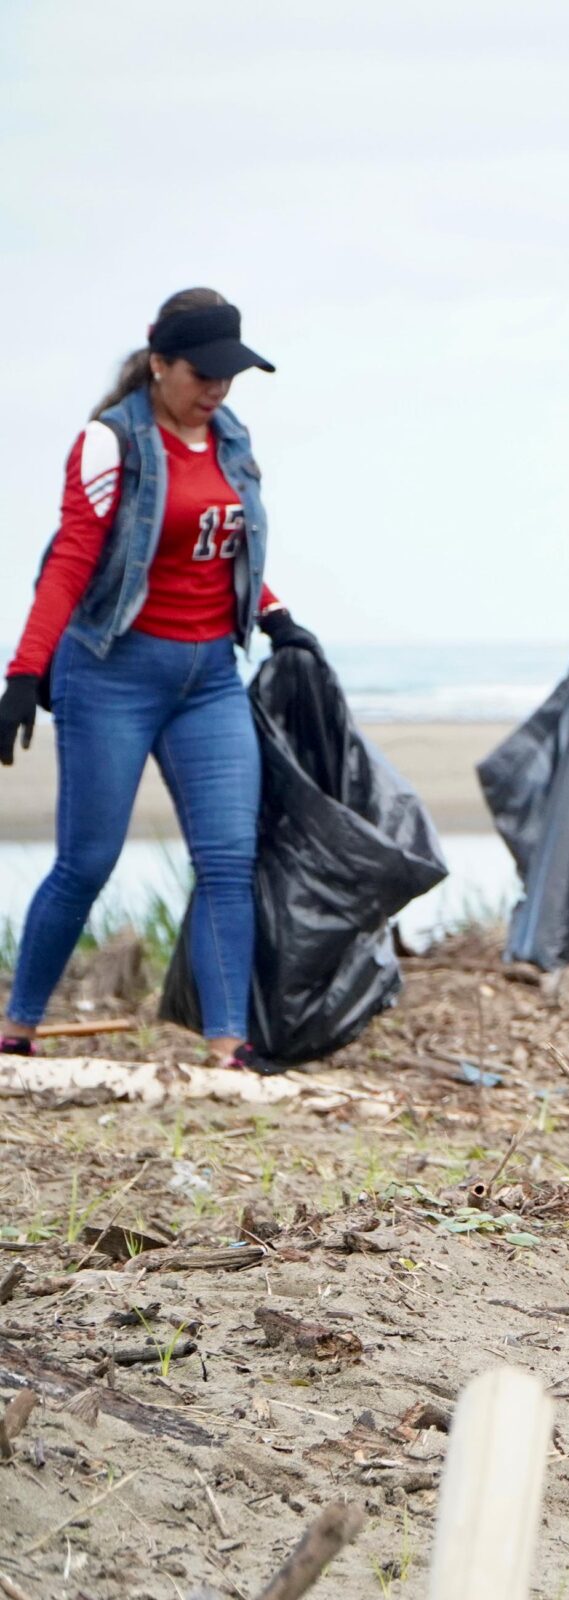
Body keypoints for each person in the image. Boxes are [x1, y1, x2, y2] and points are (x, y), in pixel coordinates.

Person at [0, 289, 318, 1067]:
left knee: (226, 860)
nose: (216, 389)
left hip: (208, 678)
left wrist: (274, 616)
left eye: (229, 375)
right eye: (201, 373)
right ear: (159, 363)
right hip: (111, 675)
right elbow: (74, 560)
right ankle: (17, 1028)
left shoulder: (232, 438)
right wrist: (23, 673)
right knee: (88, 862)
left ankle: (226, 1045)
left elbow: (221, 548)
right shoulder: (111, 444)